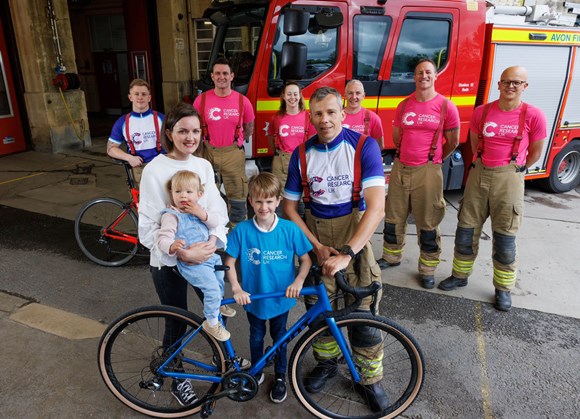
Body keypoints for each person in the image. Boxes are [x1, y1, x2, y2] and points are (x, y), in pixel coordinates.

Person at [282, 87, 388, 412]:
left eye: (331, 112)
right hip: (317, 242)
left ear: (343, 113)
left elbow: (376, 208)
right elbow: (288, 207)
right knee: (319, 312)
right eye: (318, 114)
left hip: (353, 239)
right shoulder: (301, 155)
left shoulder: (364, 147)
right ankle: (327, 365)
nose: (325, 119)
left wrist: (348, 254)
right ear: (310, 117)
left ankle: (369, 379)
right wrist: (315, 246)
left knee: (364, 313)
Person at [138, 102, 229, 406]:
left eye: (195, 131)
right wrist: (182, 253)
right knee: (176, 321)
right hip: (168, 263)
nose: (190, 137)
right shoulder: (154, 169)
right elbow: (148, 228)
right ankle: (177, 377)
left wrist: (213, 242)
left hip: (204, 255)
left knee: (215, 309)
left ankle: (223, 364)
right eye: (182, 131)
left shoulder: (202, 166)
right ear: (169, 133)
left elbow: (217, 212)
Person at [438, 66, 546, 312]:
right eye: (507, 82)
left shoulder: (533, 115)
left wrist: (518, 168)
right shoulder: (482, 112)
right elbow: (476, 142)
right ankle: (460, 275)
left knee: (505, 239)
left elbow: (536, 152)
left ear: (524, 87)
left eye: (517, 83)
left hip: (509, 178)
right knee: (466, 231)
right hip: (480, 173)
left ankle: (503, 289)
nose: (511, 86)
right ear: (499, 84)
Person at [224, 172, 312, 404]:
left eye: (269, 201)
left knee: (280, 337)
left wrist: (298, 281)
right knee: (256, 336)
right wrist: (236, 288)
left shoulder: (290, 229)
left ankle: (281, 376)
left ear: (278, 201)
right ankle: (257, 369)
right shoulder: (241, 231)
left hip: (281, 299)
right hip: (253, 299)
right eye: (259, 201)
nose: (264, 207)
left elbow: (306, 260)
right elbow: (229, 263)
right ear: (250, 201)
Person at [377, 58, 460, 290]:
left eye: (428, 72)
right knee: (394, 216)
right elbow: (396, 137)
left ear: (435, 76)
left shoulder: (446, 106)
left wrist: (434, 160)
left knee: (428, 221)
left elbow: (453, 141)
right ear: (414, 77)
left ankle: (428, 268)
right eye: (419, 72)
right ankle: (392, 257)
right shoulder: (404, 105)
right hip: (401, 166)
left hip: (428, 170)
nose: (423, 76)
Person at [157, 170, 235, 342]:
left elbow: (216, 222)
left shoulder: (200, 211)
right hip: (193, 264)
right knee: (211, 289)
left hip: (210, 258)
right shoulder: (171, 215)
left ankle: (218, 306)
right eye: (178, 192)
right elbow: (162, 239)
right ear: (172, 194)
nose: (183, 196)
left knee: (219, 280)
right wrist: (171, 246)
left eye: (189, 192)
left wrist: (201, 213)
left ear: (199, 195)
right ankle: (212, 322)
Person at [193, 57, 255, 226]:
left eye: (225, 73)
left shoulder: (243, 101)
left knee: (237, 198)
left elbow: (249, 127)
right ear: (212, 76)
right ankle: (212, 232)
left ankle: (237, 234)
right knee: (205, 196)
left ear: (232, 76)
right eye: (218, 73)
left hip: (233, 153)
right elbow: (194, 127)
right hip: (207, 152)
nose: (222, 77)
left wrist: (237, 141)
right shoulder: (201, 101)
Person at [107, 78, 165, 184]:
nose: (140, 97)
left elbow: (176, 142)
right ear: (130, 97)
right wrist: (128, 158)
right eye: (136, 94)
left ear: (149, 97)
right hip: (138, 168)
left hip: (162, 166)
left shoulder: (161, 118)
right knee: (141, 200)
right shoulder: (122, 122)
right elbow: (110, 149)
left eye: (144, 94)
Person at [267, 81, 315, 189]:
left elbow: (312, 143)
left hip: (303, 160)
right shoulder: (277, 117)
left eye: (295, 94)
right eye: (289, 94)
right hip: (281, 162)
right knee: (280, 195)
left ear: (300, 96)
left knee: (302, 196)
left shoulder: (308, 117)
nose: (292, 97)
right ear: (283, 96)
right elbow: (271, 138)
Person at [342, 79, 384, 149]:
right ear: (345, 95)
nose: (354, 97)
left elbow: (379, 146)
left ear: (363, 96)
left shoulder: (373, 118)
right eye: (350, 93)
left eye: (358, 93)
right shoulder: (336, 117)